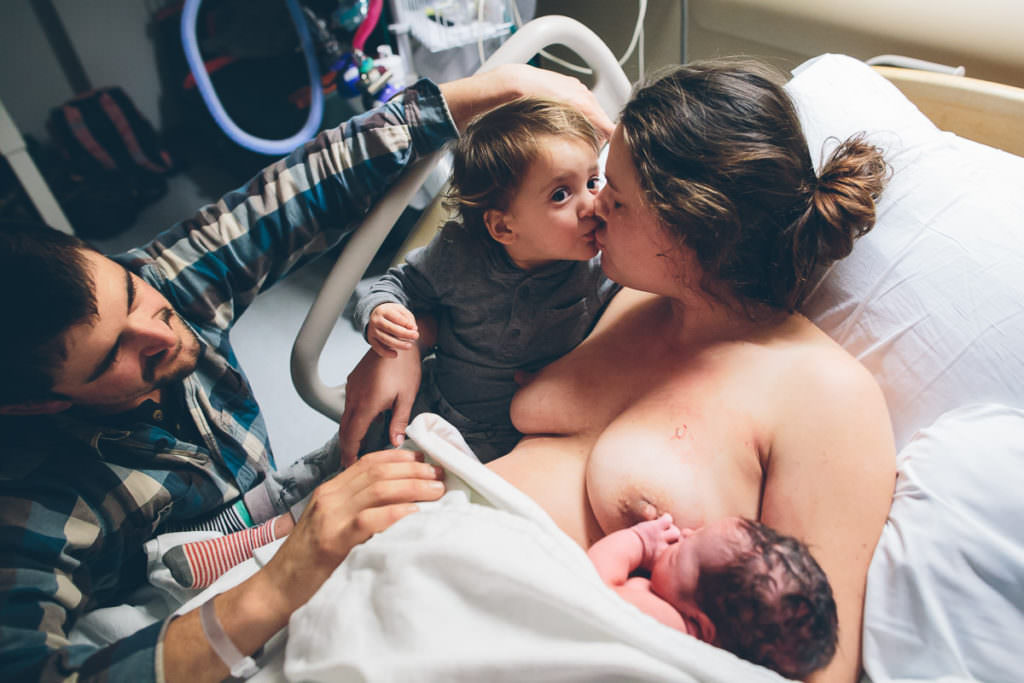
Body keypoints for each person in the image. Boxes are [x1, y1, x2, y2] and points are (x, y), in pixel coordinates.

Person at [0, 63, 613, 683]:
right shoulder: (32, 506)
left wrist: (493, 90)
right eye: (115, 354)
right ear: (38, 405)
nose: (164, 332)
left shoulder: (163, 284)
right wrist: (280, 580)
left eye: (134, 294)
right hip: (203, 597)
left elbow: (300, 187)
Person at [338, 58, 896, 683]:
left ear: (693, 229)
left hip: (523, 653)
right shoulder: (622, 295)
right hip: (415, 570)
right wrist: (401, 341)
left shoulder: (824, 397)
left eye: (618, 198)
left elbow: (814, 669)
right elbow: (483, 309)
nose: (595, 205)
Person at [352, 96, 621, 463]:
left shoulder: (604, 271)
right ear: (503, 227)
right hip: (428, 407)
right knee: (338, 466)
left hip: (515, 445)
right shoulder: (457, 254)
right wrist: (382, 311)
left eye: (592, 181)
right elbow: (396, 286)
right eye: (561, 195)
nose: (592, 205)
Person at [588, 513, 838, 679]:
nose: (685, 533)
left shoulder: (674, 627)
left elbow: (594, 587)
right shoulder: (692, 623)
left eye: (678, 554)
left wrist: (638, 541)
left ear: (702, 626)